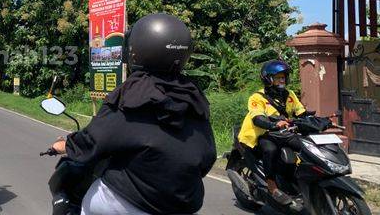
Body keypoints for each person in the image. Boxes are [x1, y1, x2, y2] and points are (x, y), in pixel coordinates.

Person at [50, 13, 216, 215]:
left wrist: (64, 145)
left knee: (84, 205)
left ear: (136, 50)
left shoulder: (134, 93)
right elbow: (207, 156)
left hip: (129, 203)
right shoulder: (193, 97)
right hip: (185, 204)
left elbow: (94, 141)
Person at [237, 59, 308, 205]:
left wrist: (322, 120)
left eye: (283, 77)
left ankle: (295, 181)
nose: (282, 80)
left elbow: (302, 113)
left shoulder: (290, 95)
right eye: (278, 78)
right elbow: (258, 119)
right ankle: (271, 185)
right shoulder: (257, 97)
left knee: (305, 146)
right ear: (268, 79)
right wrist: (275, 125)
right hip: (261, 134)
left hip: (282, 133)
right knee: (271, 150)